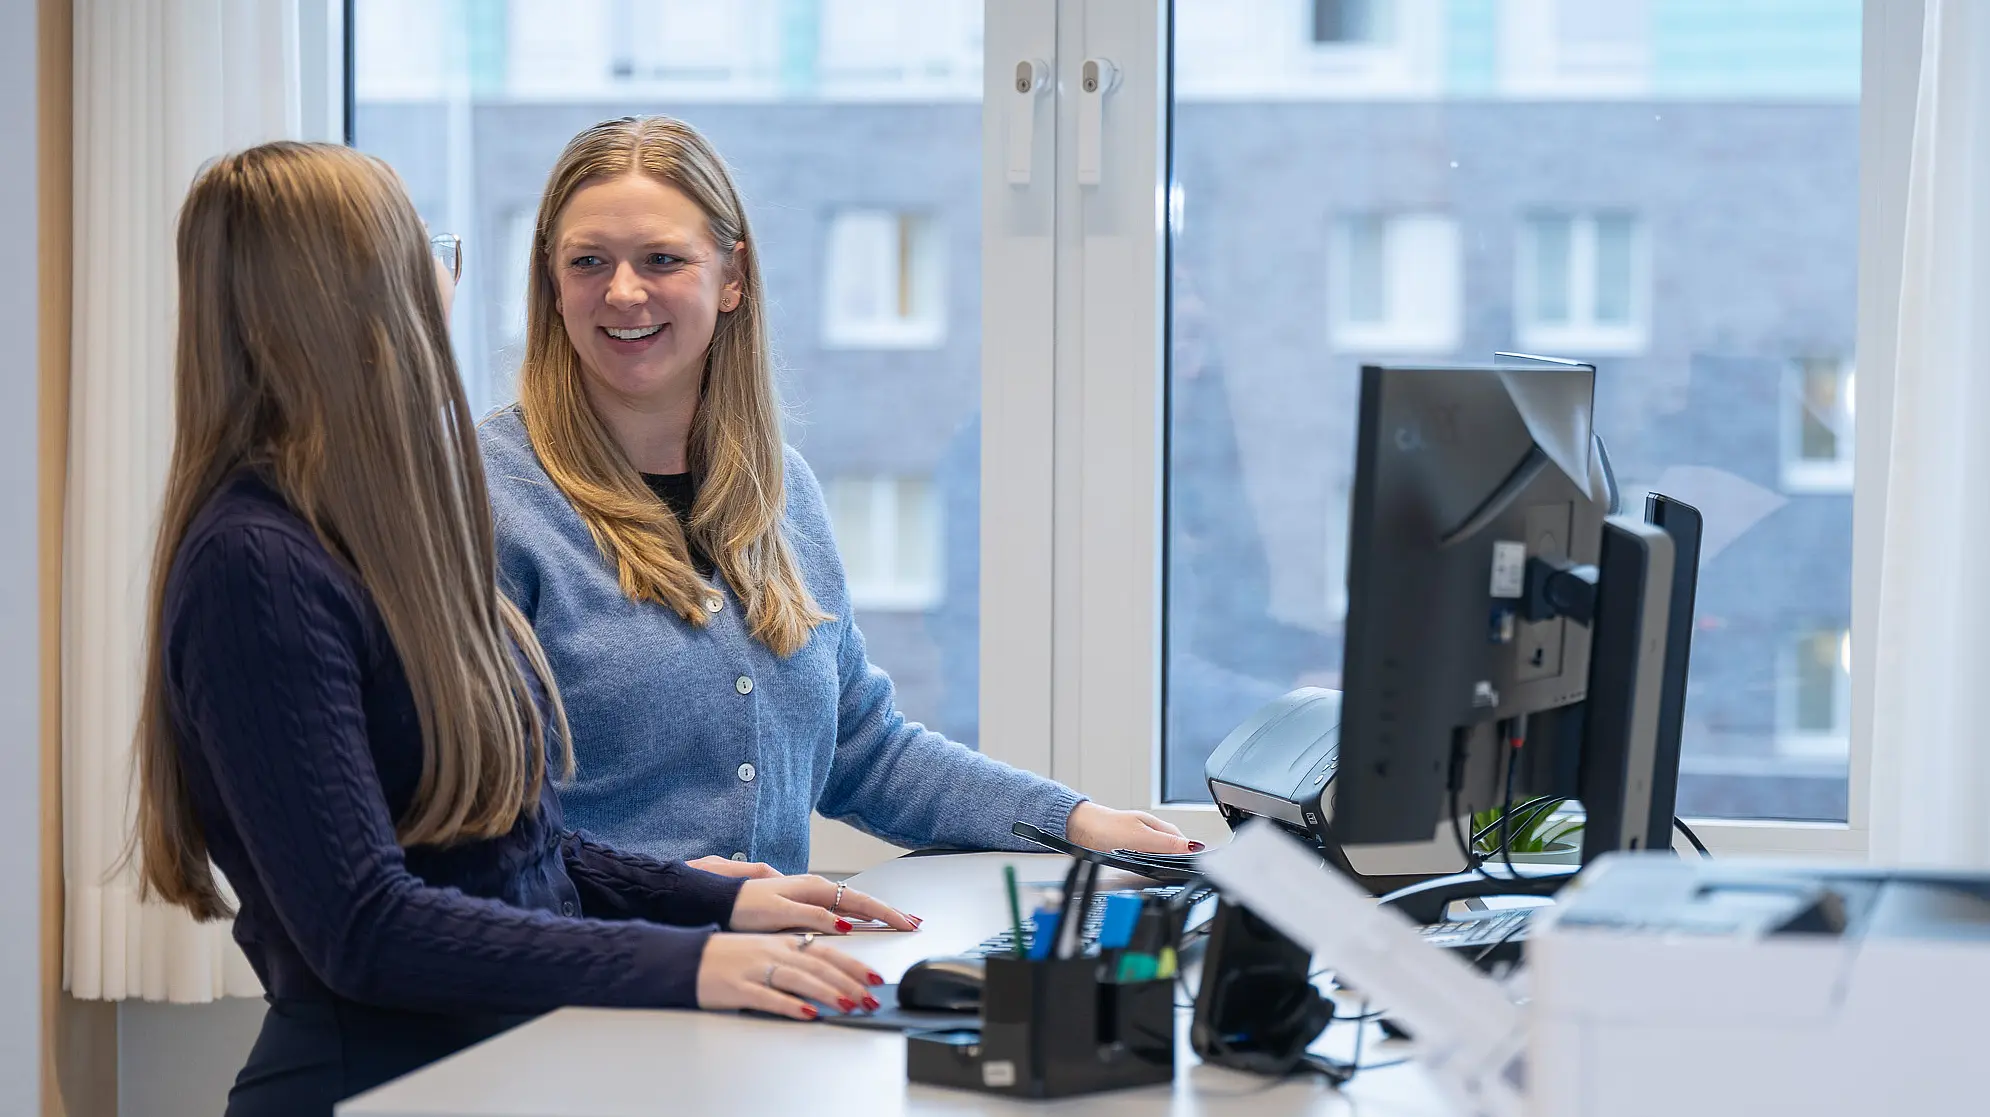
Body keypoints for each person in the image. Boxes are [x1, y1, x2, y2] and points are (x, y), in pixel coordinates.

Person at [134, 141, 910, 1117]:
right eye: (416, 247)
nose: (442, 276)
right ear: (339, 294)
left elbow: (504, 847)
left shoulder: (366, 525)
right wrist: (692, 960)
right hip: (378, 1085)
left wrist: (718, 904)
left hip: (503, 1062)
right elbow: (365, 925)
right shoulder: (256, 562)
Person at [479, 115, 1201, 877]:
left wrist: (1077, 821)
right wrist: (680, 894)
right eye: (589, 261)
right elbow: (486, 834)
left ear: (732, 278)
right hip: (592, 981)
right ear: (552, 285)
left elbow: (862, 750)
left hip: (772, 973)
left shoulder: (779, 491)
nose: (623, 292)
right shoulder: (489, 499)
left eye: (662, 259)